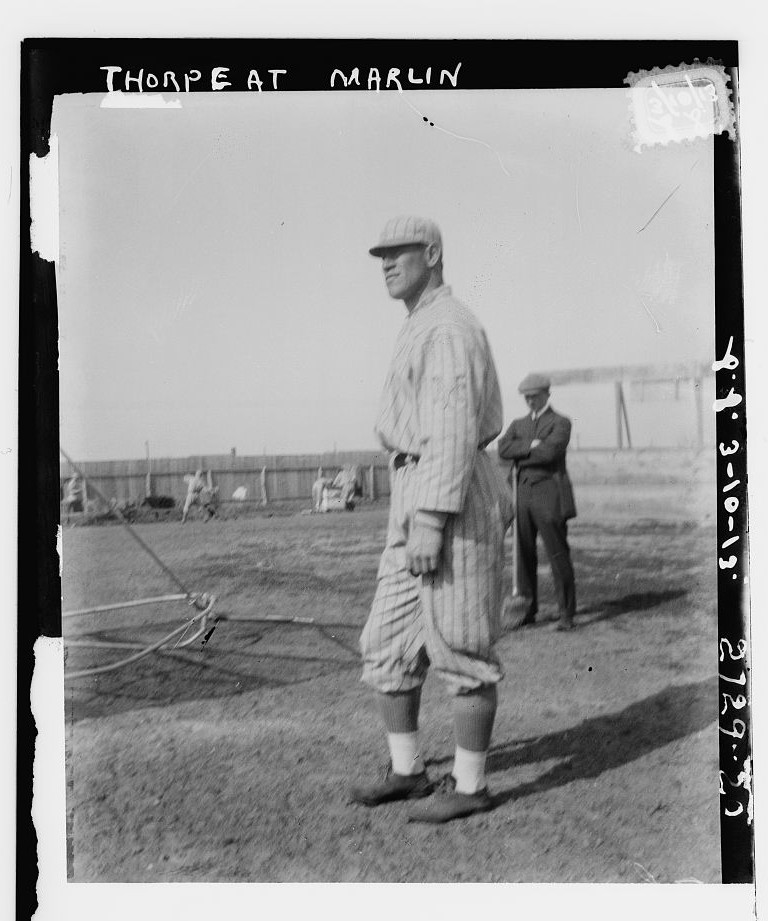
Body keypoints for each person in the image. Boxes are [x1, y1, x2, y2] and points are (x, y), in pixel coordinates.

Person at [351, 216, 513, 824]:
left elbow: (449, 433)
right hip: (413, 486)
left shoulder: (448, 327)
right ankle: (407, 772)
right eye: (381, 256)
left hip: (452, 493)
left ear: (434, 253)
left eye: (399, 253)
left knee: (460, 639)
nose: (387, 264)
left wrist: (431, 520)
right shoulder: (419, 323)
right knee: (387, 640)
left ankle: (470, 786)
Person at [497, 373, 577, 631]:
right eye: (527, 397)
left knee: (557, 553)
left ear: (547, 394)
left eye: (535, 396)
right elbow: (502, 449)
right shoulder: (518, 423)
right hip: (521, 495)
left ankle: (566, 614)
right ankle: (527, 610)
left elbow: (550, 452)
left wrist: (522, 452)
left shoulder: (560, 422)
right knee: (523, 553)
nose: (530, 401)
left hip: (549, 494)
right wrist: (532, 445)